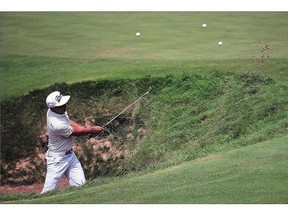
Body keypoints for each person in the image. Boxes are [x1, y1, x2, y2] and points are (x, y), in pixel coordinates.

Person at [41, 91, 103, 194]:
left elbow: (68, 121)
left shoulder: (55, 111)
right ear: (54, 107)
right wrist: (92, 130)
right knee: (47, 193)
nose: (65, 105)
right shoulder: (56, 125)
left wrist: (86, 129)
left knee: (81, 187)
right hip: (57, 160)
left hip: (70, 156)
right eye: (61, 104)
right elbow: (76, 133)